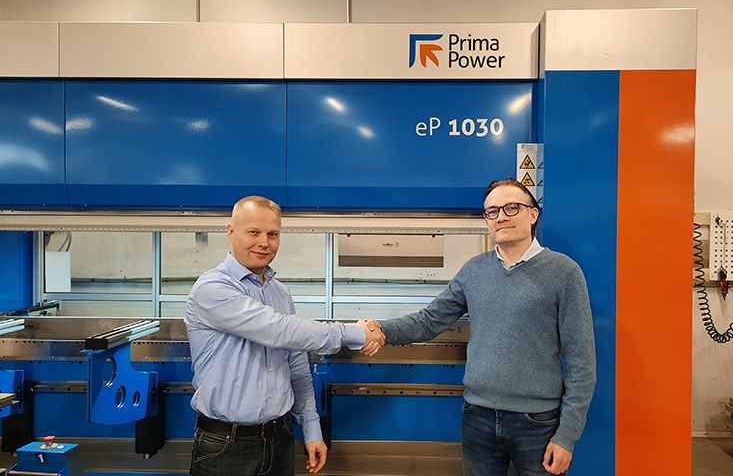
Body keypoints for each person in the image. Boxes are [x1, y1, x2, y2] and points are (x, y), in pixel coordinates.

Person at [366, 178, 596, 475]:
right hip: (477, 417)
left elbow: (582, 362)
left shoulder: (564, 272)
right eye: (492, 211)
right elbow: (430, 320)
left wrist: (567, 436)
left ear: (533, 214)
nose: (501, 217)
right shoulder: (474, 270)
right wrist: (381, 330)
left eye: (511, 207)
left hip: (537, 423)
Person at [184, 195, 384, 476]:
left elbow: (297, 367)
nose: (264, 242)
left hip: (281, 440)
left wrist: (312, 429)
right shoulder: (212, 288)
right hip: (226, 446)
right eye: (254, 232)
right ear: (231, 232)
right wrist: (356, 333)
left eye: (272, 234)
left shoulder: (280, 293)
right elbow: (278, 329)